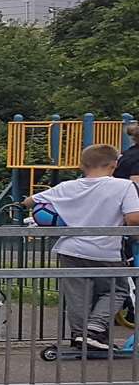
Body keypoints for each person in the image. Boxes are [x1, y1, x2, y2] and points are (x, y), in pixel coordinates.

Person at [26, 142, 139, 352]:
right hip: (105, 249)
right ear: (114, 164)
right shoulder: (123, 186)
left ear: (82, 165)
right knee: (117, 289)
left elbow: (29, 201)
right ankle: (95, 330)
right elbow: (133, 218)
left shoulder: (68, 187)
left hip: (70, 248)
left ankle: (79, 336)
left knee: (77, 295)